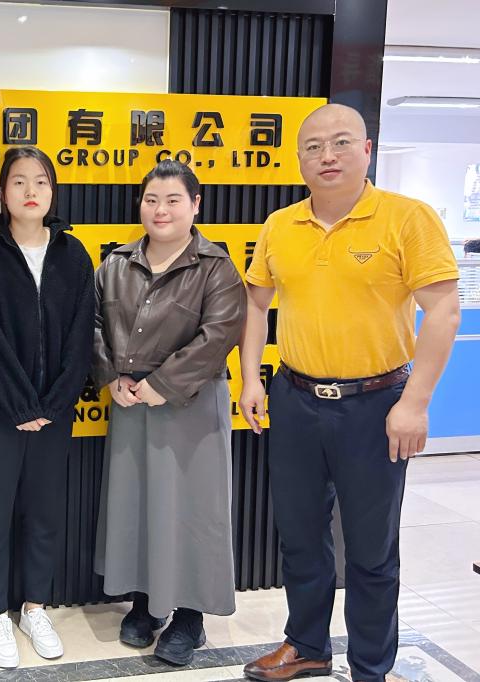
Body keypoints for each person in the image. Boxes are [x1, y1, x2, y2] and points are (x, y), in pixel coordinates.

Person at [239, 104, 461, 682]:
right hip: (295, 399)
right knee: (299, 537)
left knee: (370, 549)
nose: (327, 155)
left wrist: (414, 403)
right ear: (299, 159)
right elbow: (256, 303)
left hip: (377, 405)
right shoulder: (279, 225)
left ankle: (370, 667)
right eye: (313, 146)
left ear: (367, 149)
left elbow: (443, 312)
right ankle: (307, 645)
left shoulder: (407, 218)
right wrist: (250, 378)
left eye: (341, 142)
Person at [93, 159, 246, 666]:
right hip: (130, 404)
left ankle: (190, 617)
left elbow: (219, 334)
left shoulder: (216, 267)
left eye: (173, 200)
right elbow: (91, 324)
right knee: (137, 503)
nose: (161, 210)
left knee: (193, 510)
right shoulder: (115, 264)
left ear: (195, 205)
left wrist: (162, 384)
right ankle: (144, 602)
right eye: (152, 200)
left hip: (191, 407)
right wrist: (110, 376)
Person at [0, 146, 95, 669]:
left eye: (40, 181)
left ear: (52, 191)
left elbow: (82, 336)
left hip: (54, 412)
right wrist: (19, 404)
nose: (30, 191)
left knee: (44, 513)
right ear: (3, 192)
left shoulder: (73, 254)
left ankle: (34, 608)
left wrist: (54, 404)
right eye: (19, 182)